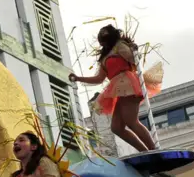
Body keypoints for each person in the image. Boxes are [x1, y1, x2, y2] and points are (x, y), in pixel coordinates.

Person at [69, 24, 162, 153]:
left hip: (128, 84)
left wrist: (133, 50)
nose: (102, 37)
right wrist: (79, 78)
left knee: (131, 121)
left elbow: (133, 59)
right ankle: (144, 151)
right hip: (119, 88)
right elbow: (99, 79)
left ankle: (153, 149)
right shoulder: (104, 58)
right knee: (117, 128)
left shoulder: (119, 45)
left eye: (104, 34)